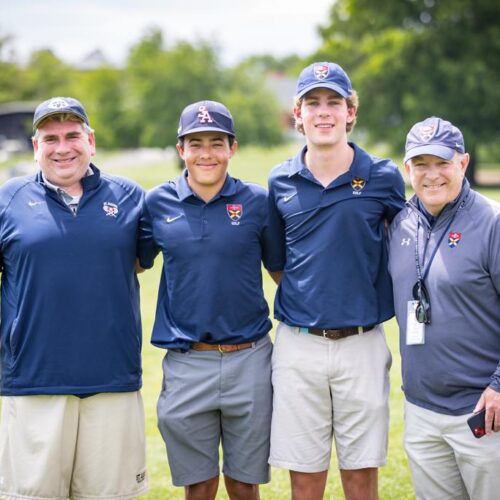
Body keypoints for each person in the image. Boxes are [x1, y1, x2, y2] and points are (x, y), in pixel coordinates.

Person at [266, 61, 406, 499]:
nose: (323, 112)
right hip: (298, 344)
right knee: (304, 476)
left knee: (361, 474)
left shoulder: (383, 177)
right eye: (313, 103)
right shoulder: (279, 180)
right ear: (297, 113)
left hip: (362, 343)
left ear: (351, 112)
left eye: (334, 102)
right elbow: (277, 263)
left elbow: (403, 248)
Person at [0, 97, 150, 499]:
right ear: (36, 148)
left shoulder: (131, 198)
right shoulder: (7, 200)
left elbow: (137, 263)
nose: (62, 147)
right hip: (33, 382)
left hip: (112, 380)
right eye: (50, 138)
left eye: (72, 136)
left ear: (91, 141)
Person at [142, 100, 280, 499]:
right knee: (198, 485)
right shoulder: (157, 203)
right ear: (180, 148)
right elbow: (135, 263)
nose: (206, 153)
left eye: (216, 142)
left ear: (232, 148)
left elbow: (280, 271)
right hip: (187, 361)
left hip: (250, 358)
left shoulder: (258, 201)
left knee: (244, 483)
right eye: (195, 143)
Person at [388, 116, 500, 499]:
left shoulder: (492, 222)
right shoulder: (401, 223)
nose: (431, 175)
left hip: (483, 411)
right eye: (421, 164)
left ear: (463, 164)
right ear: (408, 169)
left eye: (442, 163)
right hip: (421, 411)